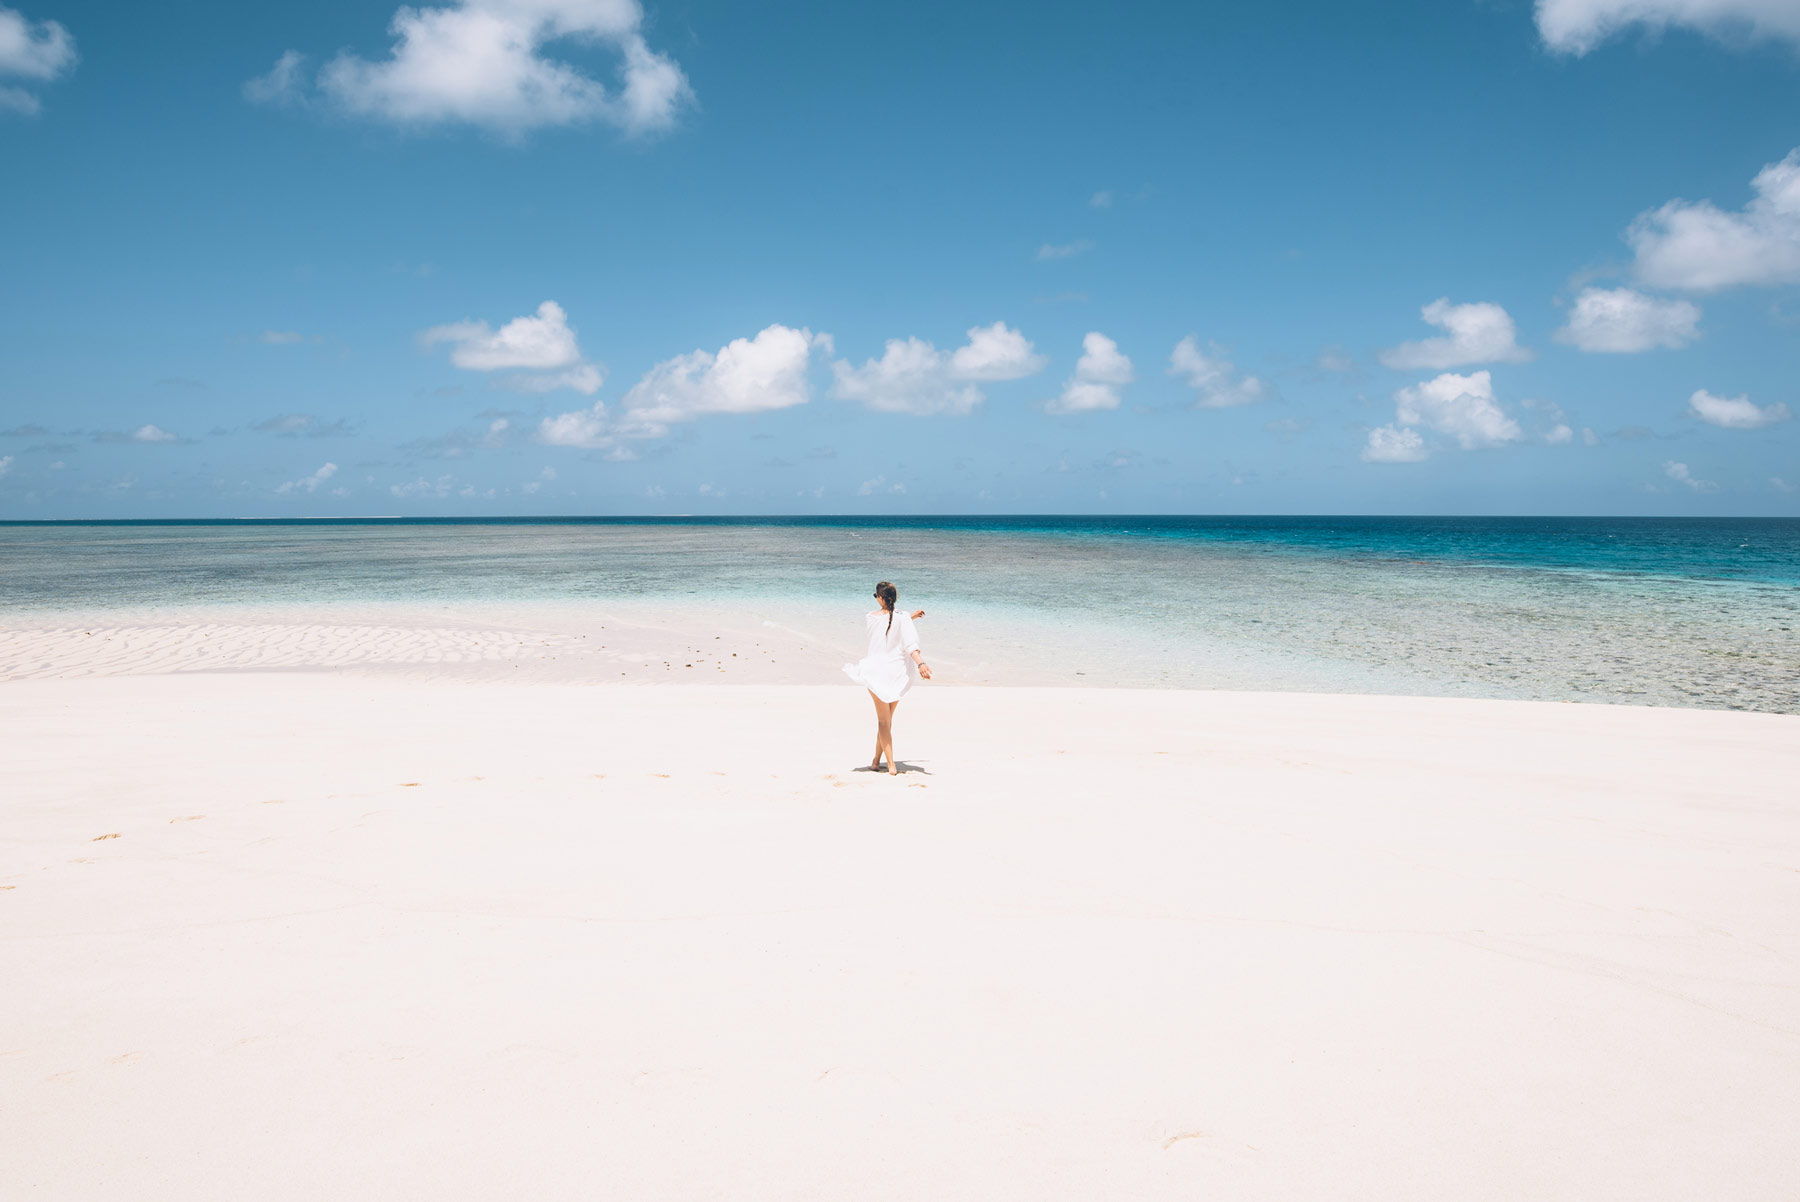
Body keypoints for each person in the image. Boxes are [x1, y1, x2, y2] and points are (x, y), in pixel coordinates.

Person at [842, 581, 932, 775]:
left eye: (876, 596)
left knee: (884, 722)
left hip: (876, 673)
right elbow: (909, 643)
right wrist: (921, 663)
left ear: (881, 598)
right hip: (896, 674)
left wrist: (908, 617)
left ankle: (889, 765)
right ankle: (876, 761)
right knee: (886, 722)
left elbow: (887, 622)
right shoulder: (903, 618)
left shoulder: (870, 617)